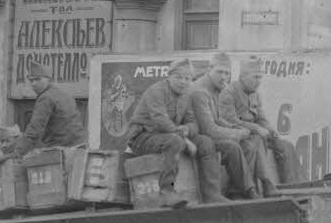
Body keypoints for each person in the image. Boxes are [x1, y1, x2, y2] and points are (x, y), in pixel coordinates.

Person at [124, 58, 228, 206]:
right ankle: (167, 191)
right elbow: (160, 120)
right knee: (175, 141)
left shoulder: (186, 94)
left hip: (170, 135)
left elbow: (193, 123)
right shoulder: (156, 91)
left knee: (205, 142)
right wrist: (185, 139)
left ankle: (212, 194)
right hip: (142, 138)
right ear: (169, 77)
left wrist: (187, 129)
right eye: (179, 77)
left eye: (187, 78)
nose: (183, 82)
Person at [218, 57, 299, 192]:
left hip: (256, 136)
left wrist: (271, 131)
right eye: (255, 77)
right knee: (257, 141)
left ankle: (292, 186)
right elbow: (230, 121)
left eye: (260, 77)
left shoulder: (254, 94)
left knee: (286, 146)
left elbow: (261, 118)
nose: (259, 81)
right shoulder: (228, 93)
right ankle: (266, 182)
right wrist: (256, 128)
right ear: (243, 77)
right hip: (239, 136)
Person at [189, 53, 258, 198]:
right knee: (232, 147)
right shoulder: (200, 91)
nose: (223, 77)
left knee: (248, 146)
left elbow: (217, 118)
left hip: (204, 133)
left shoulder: (214, 88)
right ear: (210, 69)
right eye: (219, 72)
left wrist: (234, 128)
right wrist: (239, 134)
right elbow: (209, 130)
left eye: (227, 73)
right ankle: (248, 190)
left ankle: (237, 191)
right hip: (196, 136)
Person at [20, 62, 85, 151]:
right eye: (31, 81)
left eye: (37, 79)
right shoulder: (64, 94)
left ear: (48, 79)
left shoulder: (45, 97)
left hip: (61, 149)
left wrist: (18, 151)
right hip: (80, 146)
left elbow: (35, 128)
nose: (33, 84)